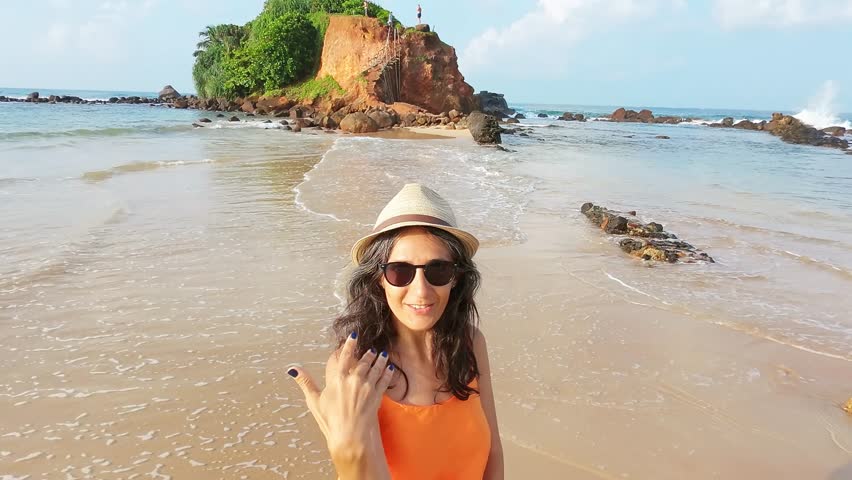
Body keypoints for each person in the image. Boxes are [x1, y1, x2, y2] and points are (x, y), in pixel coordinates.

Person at [288, 183, 504, 479]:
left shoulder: (469, 342)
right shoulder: (356, 366)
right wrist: (346, 451)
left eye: (438, 270)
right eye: (399, 271)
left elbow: (493, 453)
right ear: (379, 278)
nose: (421, 290)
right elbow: (355, 466)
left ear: (456, 278)